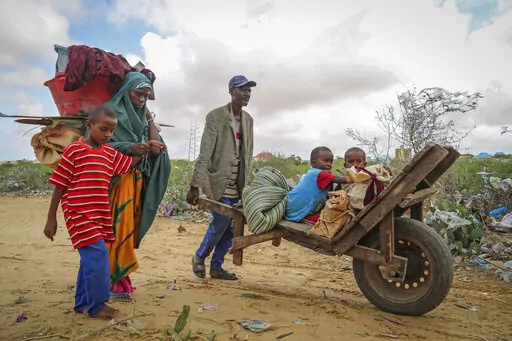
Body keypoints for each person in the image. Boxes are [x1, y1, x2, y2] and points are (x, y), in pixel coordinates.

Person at [43, 105, 150, 318]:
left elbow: (127, 165)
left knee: (89, 260)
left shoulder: (109, 153)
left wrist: (145, 149)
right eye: (104, 129)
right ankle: (98, 305)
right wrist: (50, 219)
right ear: (89, 125)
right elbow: (59, 185)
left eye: (112, 130)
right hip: (78, 213)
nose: (109, 135)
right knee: (98, 258)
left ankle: (83, 304)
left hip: (100, 215)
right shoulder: (74, 150)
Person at [105, 71, 171, 298]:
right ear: (126, 92)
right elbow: (99, 145)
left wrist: (150, 118)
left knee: (126, 230)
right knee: (114, 230)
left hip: (135, 182)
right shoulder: (110, 114)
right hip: (115, 182)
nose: (142, 99)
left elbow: (154, 149)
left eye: (146, 95)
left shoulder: (143, 117)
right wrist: (130, 148)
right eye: (138, 94)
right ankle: (109, 282)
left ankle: (120, 282)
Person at [187, 75, 257, 281]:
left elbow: (248, 154)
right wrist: (194, 185)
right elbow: (205, 152)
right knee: (221, 221)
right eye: (242, 89)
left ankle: (216, 268)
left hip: (238, 184)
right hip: (219, 182)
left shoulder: (248, 120)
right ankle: (199, 257)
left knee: (232, 227)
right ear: (231, 91)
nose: (246, 93)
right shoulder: (216, 116)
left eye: (249, 90)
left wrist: (248, 185)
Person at [285, 146, 352, 223]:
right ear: (313, 163)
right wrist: (357, 176)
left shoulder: (315, 174)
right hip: (299, 214)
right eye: (325, 161)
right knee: (334, 219)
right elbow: (341, 180)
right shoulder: (318, 173)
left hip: (292, 210)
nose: (329, 164)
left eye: (331, 161)